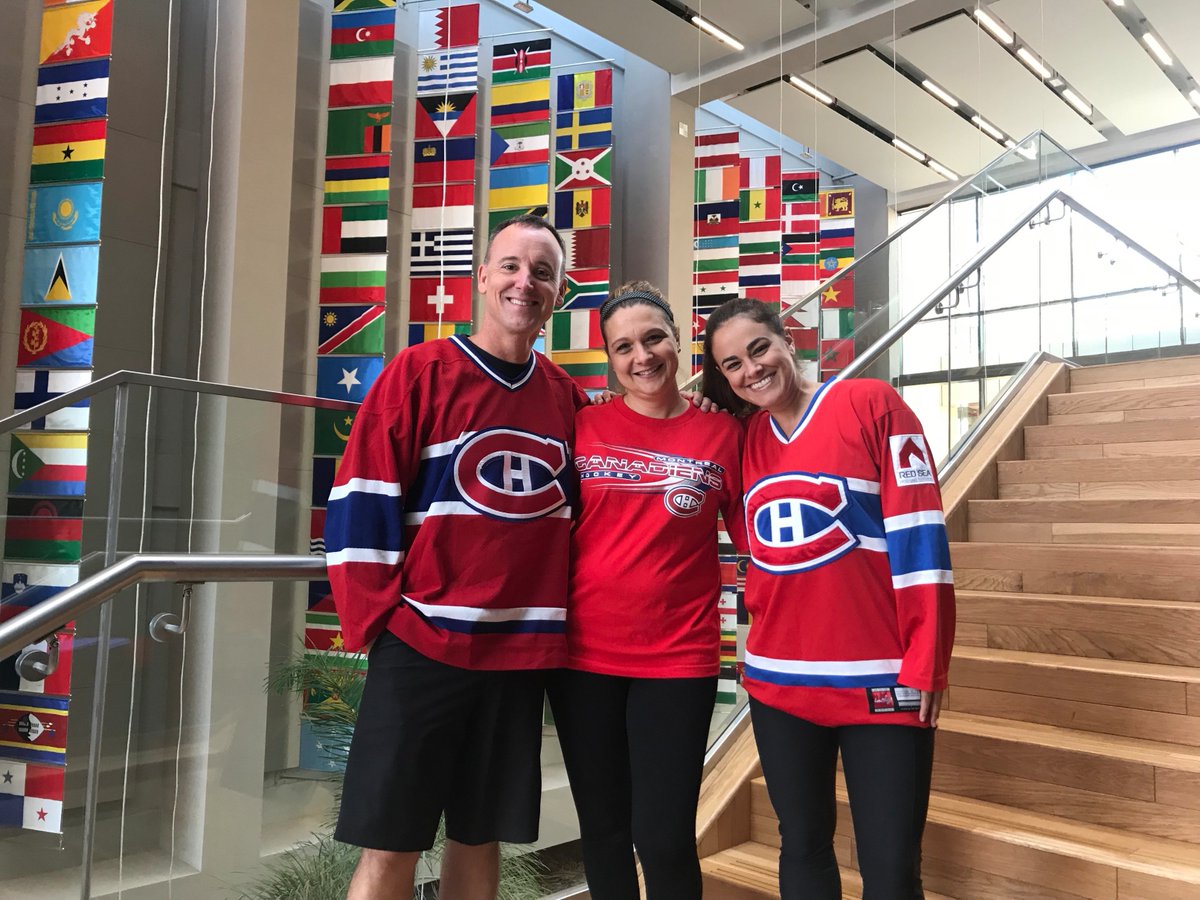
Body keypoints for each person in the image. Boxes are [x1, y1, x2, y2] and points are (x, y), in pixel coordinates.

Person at [324, 215, 588, 900]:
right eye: (510, 266)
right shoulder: (421, 372)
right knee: (392, 843)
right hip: (422, 647)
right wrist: (378, 621)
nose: (523, 282)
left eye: (541, 272)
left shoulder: (566, 398)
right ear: (482, 277)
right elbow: (362, 496)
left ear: (557, 293)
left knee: (480, 836)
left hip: (519, 660)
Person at [702, 298, 955, 899]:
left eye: (759, 348)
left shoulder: (871, 405)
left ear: (787, 338)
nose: (751, 370)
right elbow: (753, 547)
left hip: (881, 681)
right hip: (779, 684)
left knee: (891, 869)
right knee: (804, 846)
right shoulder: (742, 440)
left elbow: (921, 539)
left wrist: (927, 659)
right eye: (732, 364)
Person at [547, 282, 745, 900]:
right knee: (603, 834)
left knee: (663, 838)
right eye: (623, 345)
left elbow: (757, 542)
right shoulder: (583, 425)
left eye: (654, 337)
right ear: (609, 358)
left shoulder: (723, 435)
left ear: (679, 340)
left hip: (678, 658)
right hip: (582, 658)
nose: (642, 356)